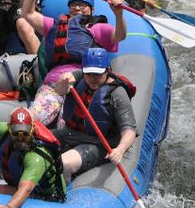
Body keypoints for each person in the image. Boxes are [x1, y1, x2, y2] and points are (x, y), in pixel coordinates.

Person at [22, 0, 126, 127]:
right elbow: (28, 14)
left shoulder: (97, 28)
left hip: (83, 85)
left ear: (91, 10)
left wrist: (118, 15)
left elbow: (120, 36)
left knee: (65, 127)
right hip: (53, 85)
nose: (77, 8)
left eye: (82, 5)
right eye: (74, 4)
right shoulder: (54, 25)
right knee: (29, 121)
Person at [53, 48, 137, 181]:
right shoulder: (78, 77)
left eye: (97, 74)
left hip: (99, 144)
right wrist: (62, 81)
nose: (92, 78)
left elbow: (130, 131)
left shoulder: (117, 93)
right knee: (36, 141)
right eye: (89, 73)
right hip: (70, 134)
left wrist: (120, 150)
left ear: (107, 70)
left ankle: (62, 189)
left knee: (65, 162)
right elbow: (59, 91)